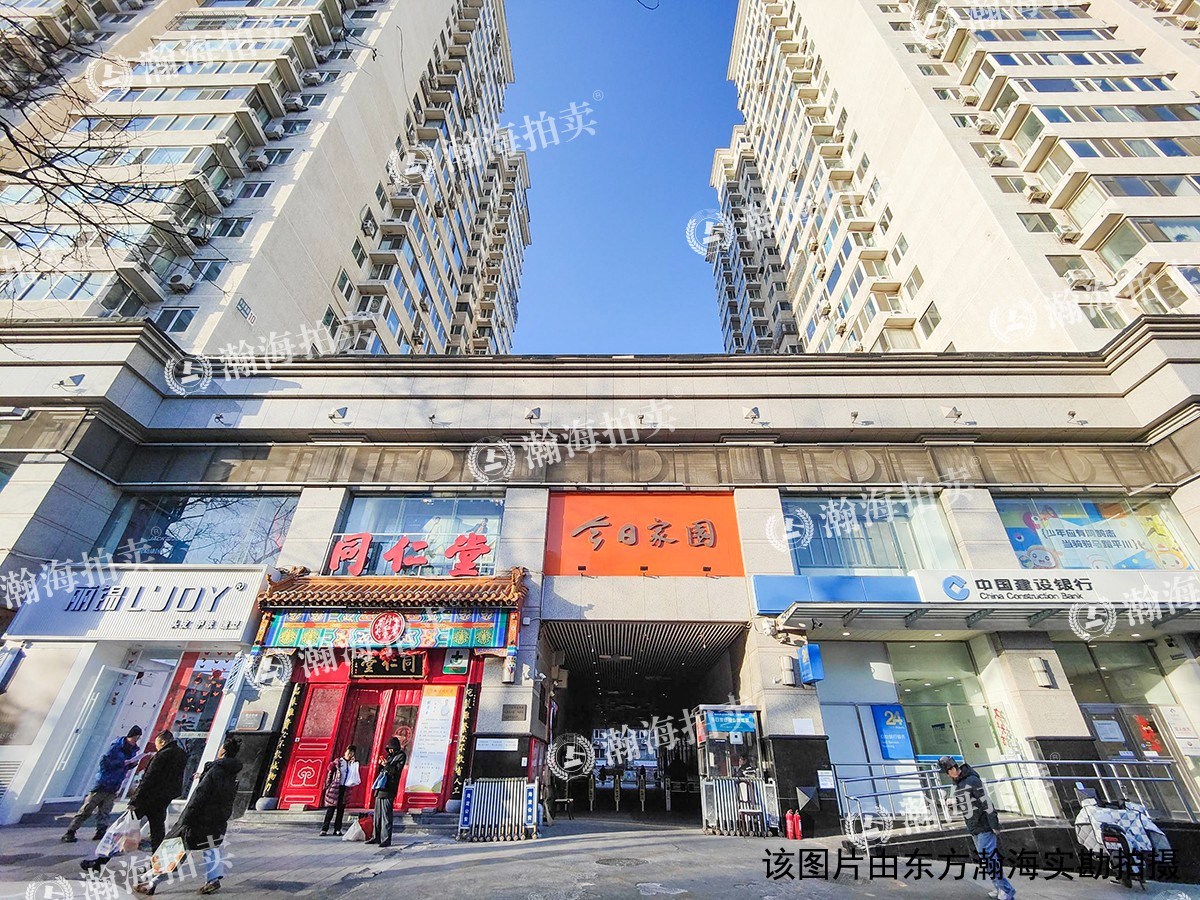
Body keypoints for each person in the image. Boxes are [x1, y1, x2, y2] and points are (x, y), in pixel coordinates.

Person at [135, 737, 243, 896]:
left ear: (223, 751)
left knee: (178, 850)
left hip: (199, 818)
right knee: (211, 847)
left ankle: (151, 881)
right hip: (217, 818)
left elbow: (200, 795)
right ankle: (212, 879)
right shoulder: (230, 772)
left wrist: (186, 817)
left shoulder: (215, 770)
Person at [939, 755, 1016, 900]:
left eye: (947, 772)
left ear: (952, 769)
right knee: (986, 859)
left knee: (989, 858)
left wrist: (994, 825)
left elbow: (986, 802)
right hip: (974, 826)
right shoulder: (958, 784)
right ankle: (999, 888)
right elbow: (966, 803)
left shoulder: (972, 780)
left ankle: (1007, 890)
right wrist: (953, 802)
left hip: (984, 825)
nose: (948, 775)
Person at [62, 726, 143, 843]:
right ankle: (71, 831)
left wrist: (132, 764)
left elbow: (125, 767)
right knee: (87, 808)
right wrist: (122, 763)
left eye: (138, 738)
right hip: (103, 783)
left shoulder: (133, 750)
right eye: (135, 738)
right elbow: (105, 762)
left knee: (105, 810)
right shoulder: (116, 747)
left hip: (115, 784)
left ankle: (101, 832)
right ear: (130, 736)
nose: (136, 740)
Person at [130, 731, 188, 851]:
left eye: (157, 744)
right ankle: (158, 856)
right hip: (164, 797)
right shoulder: (181, 754)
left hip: (149, 796)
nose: (156, 747)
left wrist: (134, 800)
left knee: (126, 823)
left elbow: (149, 778)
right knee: (158, 829)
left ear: (162, 742)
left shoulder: (161, 755)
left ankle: (105, 855)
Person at [366, 737, 406, 848]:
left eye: (392, 748)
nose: (390, 750)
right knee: (377, 815)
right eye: (389, 748)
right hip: (381, 788)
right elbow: (383, 771)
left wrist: (386, 765)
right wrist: (381, 765)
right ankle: (376, 836)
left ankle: (386, 839)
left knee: (386, 815)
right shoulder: (389, 757)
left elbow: (395, 771)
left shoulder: (401, 756)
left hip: (389, 788)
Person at [320, 745, 360, 837]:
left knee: (340, 810)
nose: (350, 754)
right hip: (335, 787)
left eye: (352, 753)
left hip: (344, 788)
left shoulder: (352, 764)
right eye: (349, 752)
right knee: (330, 809)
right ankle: (324, 829)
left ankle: (337, 829)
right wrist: (327, 785)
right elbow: (330, 773)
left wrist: (353, 764)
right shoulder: (338, 762)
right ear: (345, 752)